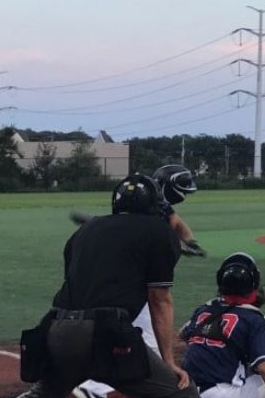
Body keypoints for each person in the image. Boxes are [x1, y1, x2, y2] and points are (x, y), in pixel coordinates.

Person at [15, 174, 199, 398]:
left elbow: (74, 283)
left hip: (56, 327)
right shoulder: (159, 232)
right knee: (182, 393)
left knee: (45, 393)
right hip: (107, 335)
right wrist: (168, 361)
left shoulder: (84, 230)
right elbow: (160, 300)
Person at [76, 165, 202, 398]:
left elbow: (178, 225)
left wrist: (189, 242)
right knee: (144, 356)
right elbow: (159, 299)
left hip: (71, 319)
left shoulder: (158, 207)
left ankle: (86, 384)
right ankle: (96, 390)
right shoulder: (151, 211)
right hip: (136, 291)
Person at [180, 253, 265, 398]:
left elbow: (183, 333)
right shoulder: (253, 318)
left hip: (188, 391)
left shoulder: (204, 310)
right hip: (222, 393)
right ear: (253, 284)